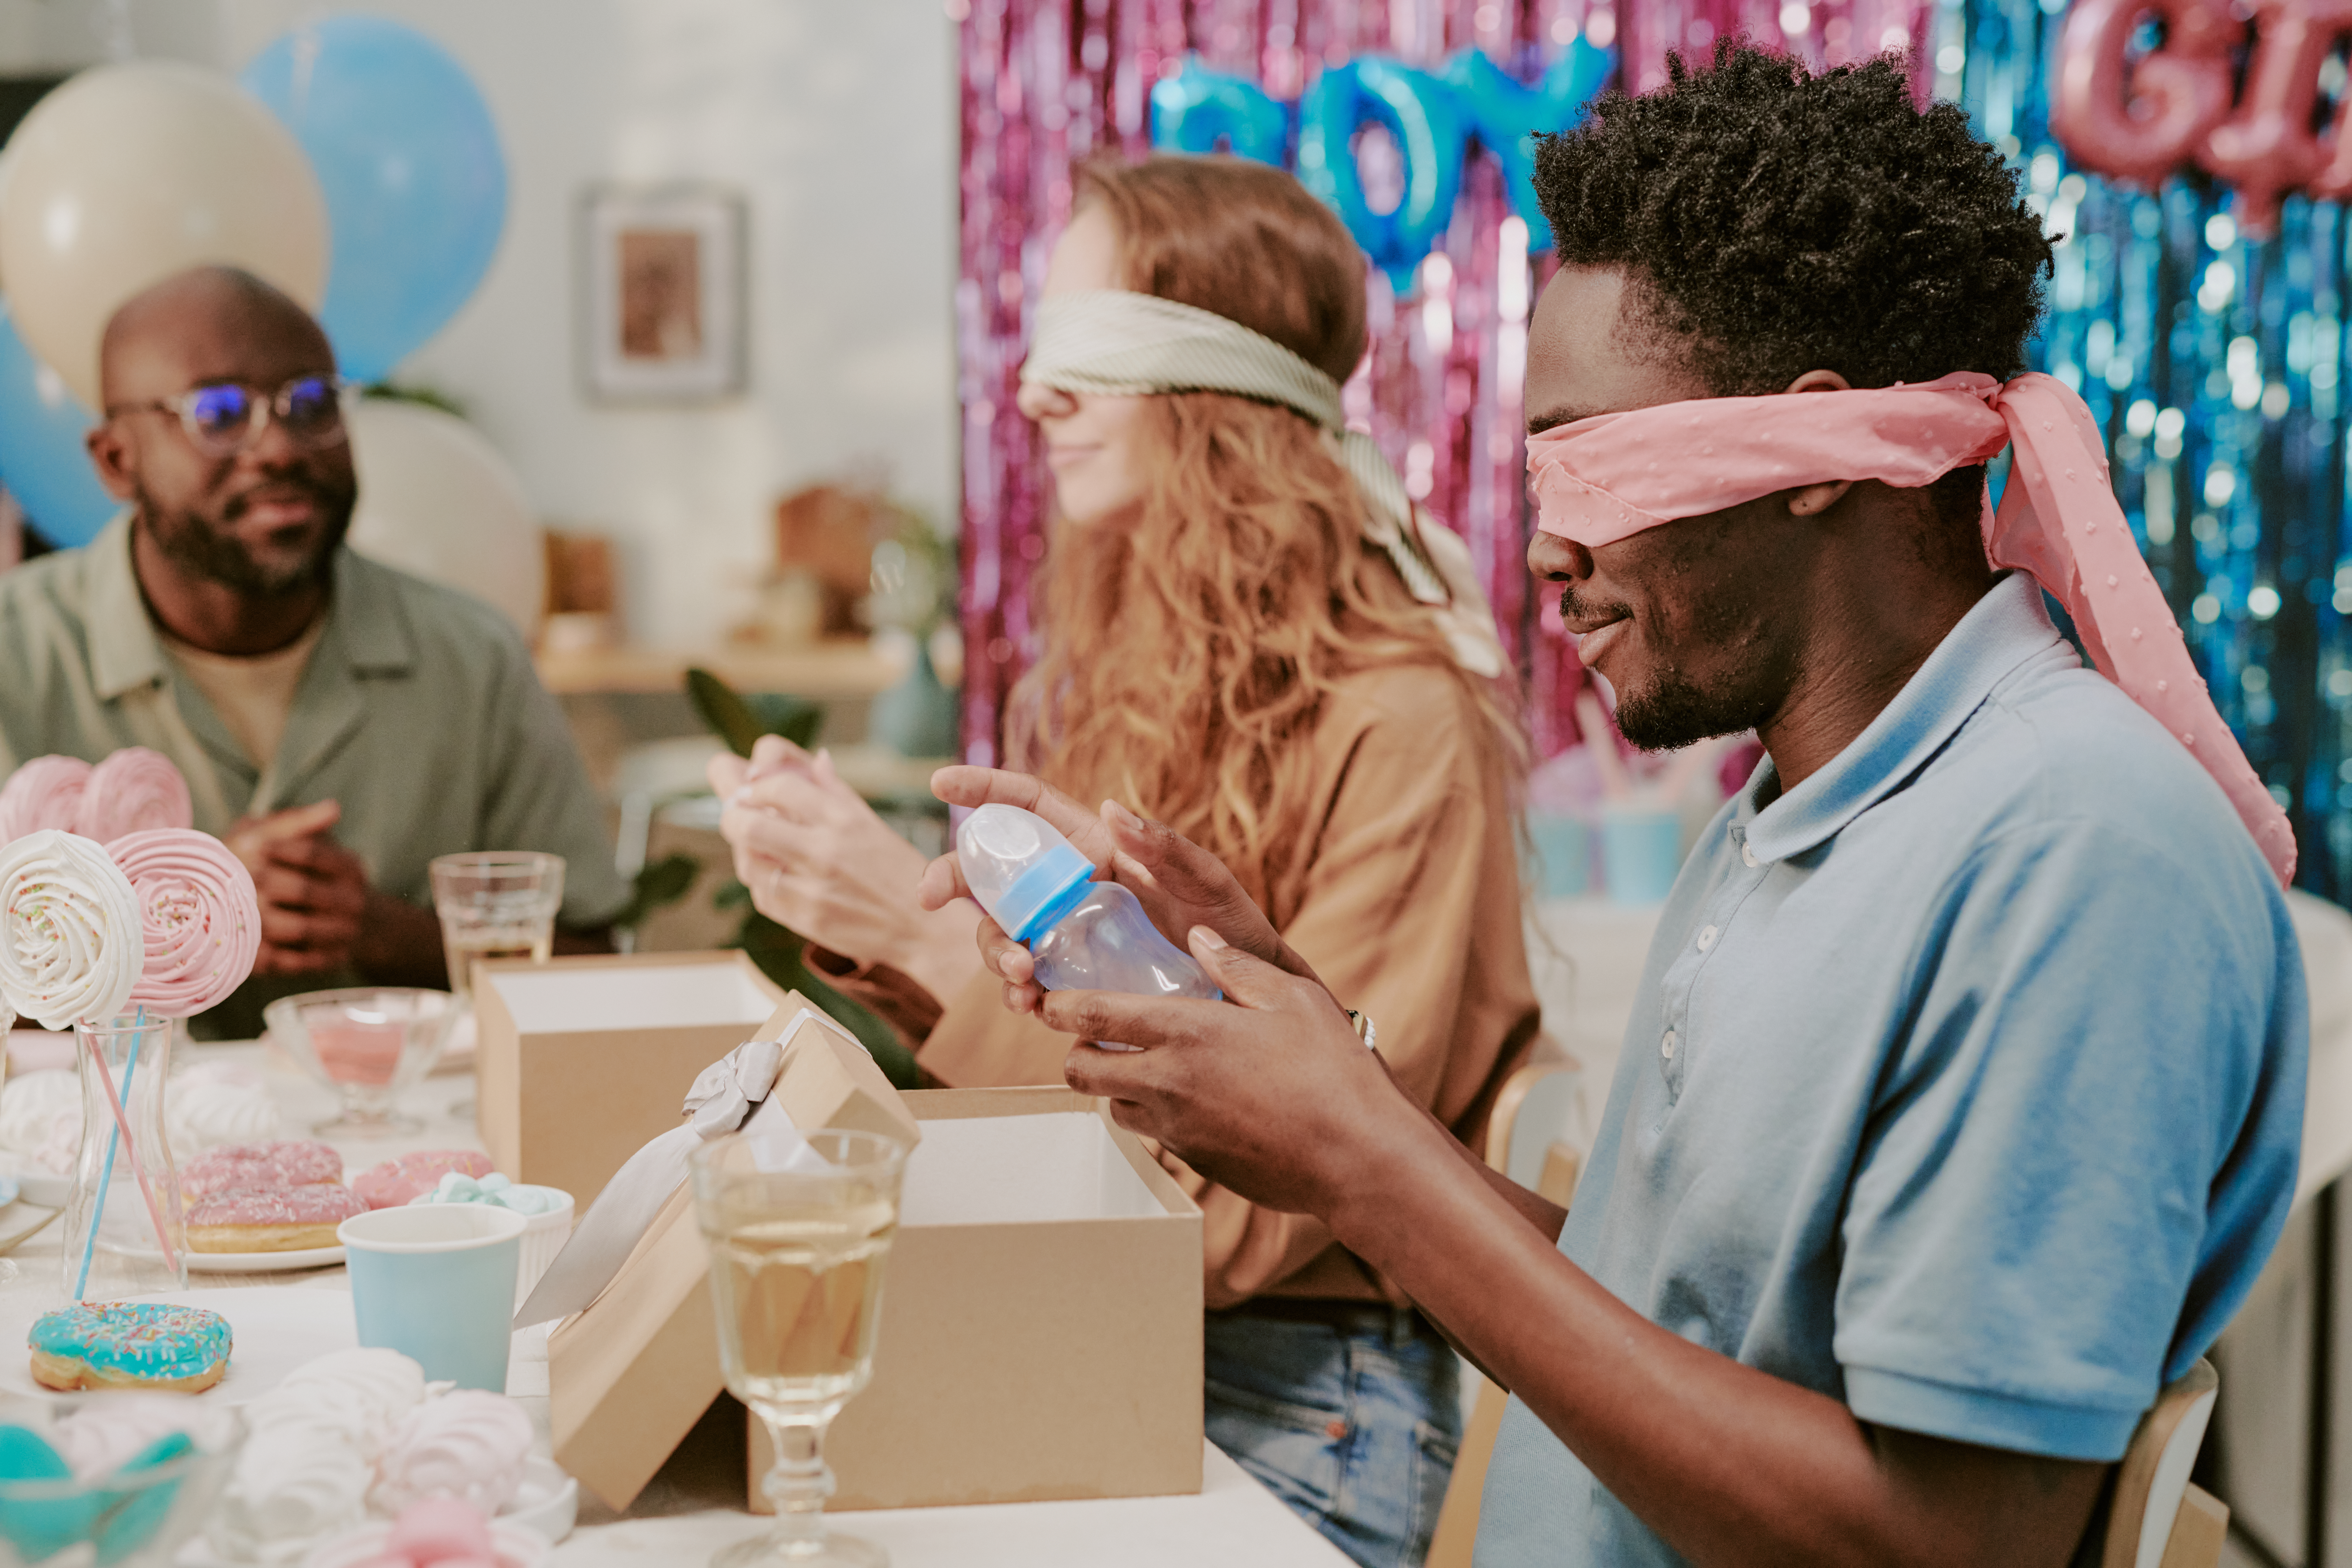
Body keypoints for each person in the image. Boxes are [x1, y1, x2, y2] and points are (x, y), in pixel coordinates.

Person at [915, 46, 2306, 1567]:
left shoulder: (2071, 856)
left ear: (1812, 455)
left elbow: (1945, 1538)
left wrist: (1366, 1169)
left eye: (1585, 455)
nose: (1546, 552)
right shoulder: (1794, 811)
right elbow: (1670, 1321)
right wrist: (1322, 1082)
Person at [714, 156, 1541, 1567]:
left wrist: (923, 948)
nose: (1036, 395)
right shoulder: (1144, 674)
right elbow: (1104, 1106)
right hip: (1106, 1320)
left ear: (1228, 394)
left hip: (1296, 1394)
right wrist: (892, 926)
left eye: (1090, 349)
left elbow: (1228, 1216)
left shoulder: (1405, 722)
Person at [0, 265, 626, 1035]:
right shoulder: (17, 659)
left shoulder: (473, 661)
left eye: (312, 403)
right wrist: (179, 916)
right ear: (115, 460)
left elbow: (596, 971)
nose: (280, 449)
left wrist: (385, 933)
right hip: (110, 1151)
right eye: (219, 412)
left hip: (431, 1149)